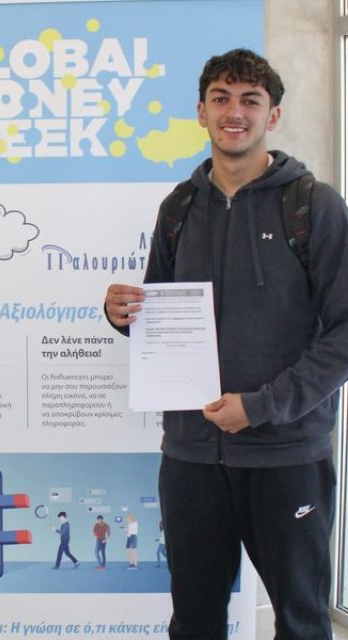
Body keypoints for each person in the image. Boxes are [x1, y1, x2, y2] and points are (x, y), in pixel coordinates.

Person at [104, 48, 347, 639]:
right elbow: (159, 318)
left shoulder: (313, 205)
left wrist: (261, 407)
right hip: (191, 457)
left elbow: (345, 332)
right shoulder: (179, 207)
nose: (233, 112)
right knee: (194, 622)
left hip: (287, 455)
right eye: (221, 98)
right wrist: (122, 314)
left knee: (302, 623)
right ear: (201, 111)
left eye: (249, 100)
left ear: (273, 115)